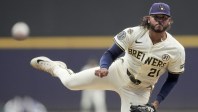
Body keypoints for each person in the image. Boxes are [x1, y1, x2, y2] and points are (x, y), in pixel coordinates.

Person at [30, 2, 185, 112]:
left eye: (164, 17)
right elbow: (110, 53)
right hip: (117, 72)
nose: (160, 20)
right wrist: (104, 67)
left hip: (139, 91)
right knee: (70, 83)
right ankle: (57, 67)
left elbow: (173, 78)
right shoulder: (133, 33)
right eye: (156, 16)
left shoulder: (176, 49)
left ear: (169, 21)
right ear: (149, 18)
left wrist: (155, 104)